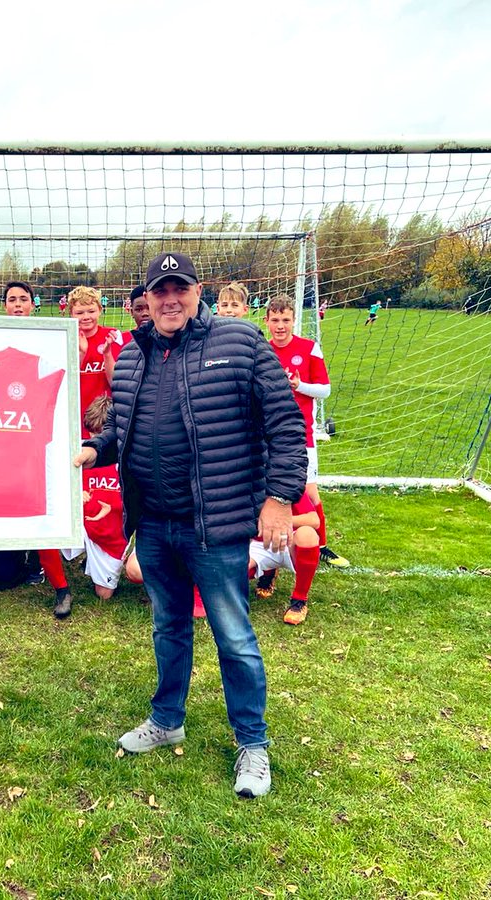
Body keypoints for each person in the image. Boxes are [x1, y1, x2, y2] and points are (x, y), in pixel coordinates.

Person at [74, 250, 307, 799]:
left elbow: (286, 425)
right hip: (154, 525)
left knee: (235, 637)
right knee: (168, 627)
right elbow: (125, 432)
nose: (170, 299)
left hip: (216, 526)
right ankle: (167, 718)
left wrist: (279, 498)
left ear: (197, 291)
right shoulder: (131, 358)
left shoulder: (240, 343)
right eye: (160, 290)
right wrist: (94, 448)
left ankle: (253, 743)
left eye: (180, 288)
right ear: (146, 299)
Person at [3, 279, 74, 618]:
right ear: (4, 306)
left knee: (45, 507)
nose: (17, 305)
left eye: (23, 299)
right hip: (2, 434)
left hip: (40, 435)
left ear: (33, 305)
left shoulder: (50, 340)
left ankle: (61, 587)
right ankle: (17, 559)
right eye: (12, 300)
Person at [264, 295, 350, 569]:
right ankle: (273, 547)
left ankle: (321, 544)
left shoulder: (309, 349)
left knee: (310, 494)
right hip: (269, 435)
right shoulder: (262, 351)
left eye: (286, 320)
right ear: (266, 322)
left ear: (294, 321)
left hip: (302, 436)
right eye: (275, 320)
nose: (280, 326)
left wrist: (300, 385)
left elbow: (324, 390)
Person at [63, 395, 127, 600]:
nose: (94, 439)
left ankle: (101, 561)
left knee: (104, 595)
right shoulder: (80, 449)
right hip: (81, 524)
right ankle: (39, 568)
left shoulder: (126, 458)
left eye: (100, 433)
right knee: (46, 525)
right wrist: (72, 493)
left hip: (110, 534)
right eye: (90, 431)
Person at [248, 489, 322, 625]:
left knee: (307, 534)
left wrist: (280, 520)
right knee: (234, 569)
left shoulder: (287, 483)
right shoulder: (244, 485)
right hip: (259, 544)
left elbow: (314, 520)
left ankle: (299, 600)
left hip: (289, 541)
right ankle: (268, 574)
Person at [69, 285, 119, 436]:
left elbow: (115, 383)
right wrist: (81, 353)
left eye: (91, 311)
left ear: (100, 310)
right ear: (71, 313)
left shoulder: (113, 336)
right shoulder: (66, 338)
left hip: (104, 419)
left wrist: (107, 354)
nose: (86, 317)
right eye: (79, 312)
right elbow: (64, 383)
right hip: (74, 417)